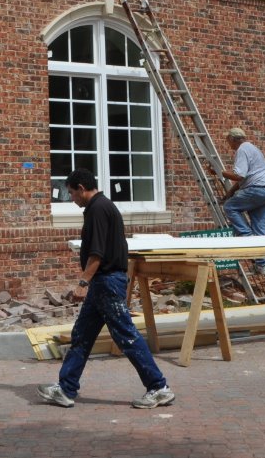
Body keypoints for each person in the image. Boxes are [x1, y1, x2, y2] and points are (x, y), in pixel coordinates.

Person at [38, 169, 174, 410]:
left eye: (72, 193)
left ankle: (159, 387)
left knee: (126, 336)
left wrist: (83, 282)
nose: (72, 199)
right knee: (82, 335)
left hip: (106, 282)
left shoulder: (98, 209)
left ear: (81, 188)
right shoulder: (99, 207)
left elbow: (97, 253)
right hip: (105, 282)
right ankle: (66, 388)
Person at [219, 126, 265, 274]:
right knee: (260, 228)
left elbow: (239, 176)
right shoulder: (254, 149)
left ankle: (247, 237)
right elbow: (243, 181)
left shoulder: (242, 149)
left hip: (257, 190)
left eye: (229, 142)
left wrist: (219, 172)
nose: (229, 145)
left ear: (233, 140)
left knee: (230, 207)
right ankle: (262, 265)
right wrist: (229, 193)